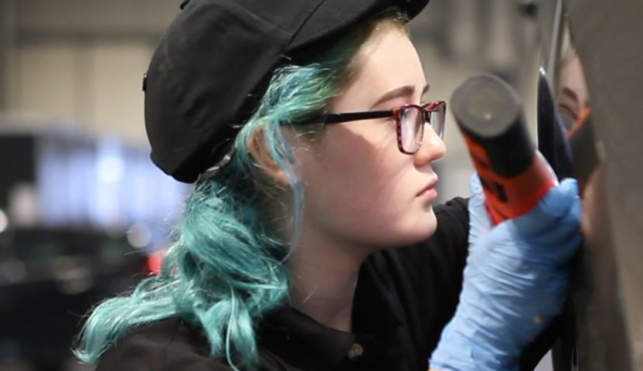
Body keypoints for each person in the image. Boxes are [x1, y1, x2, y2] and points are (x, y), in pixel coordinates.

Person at [75, 1, 582, 370]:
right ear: (277, 150)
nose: (433, 146)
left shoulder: (394, 276)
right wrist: (471, 357)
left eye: (426, 109)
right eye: (399, 114)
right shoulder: (162, 362)